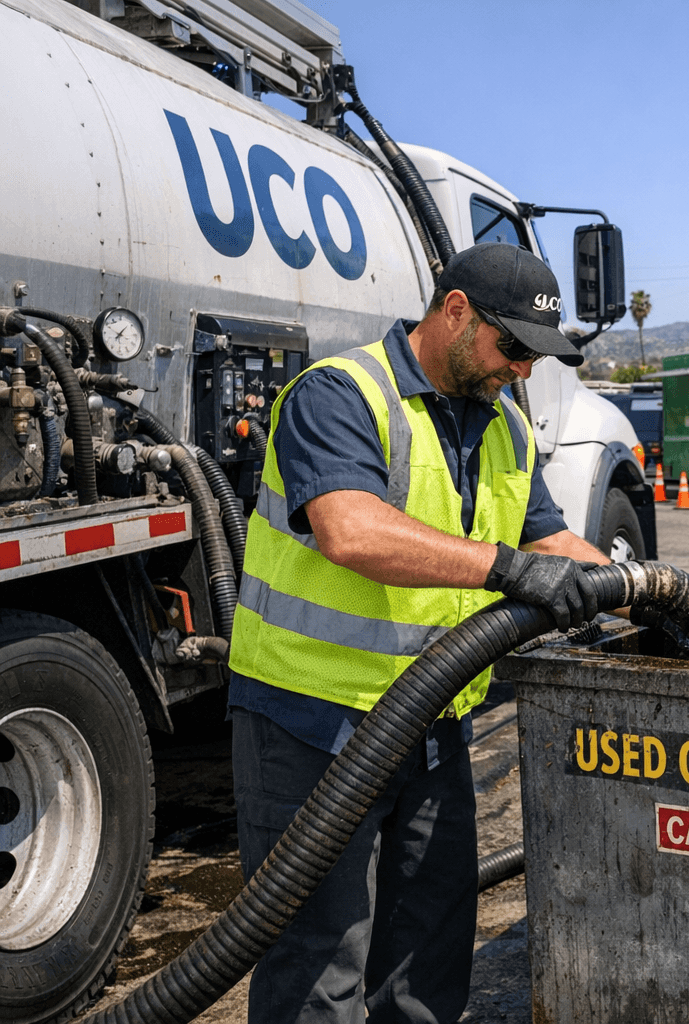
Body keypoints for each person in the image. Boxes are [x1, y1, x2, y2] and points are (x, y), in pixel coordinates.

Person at [227, 242, 609, 1024]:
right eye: (515, 349)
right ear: (456, 312)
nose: (524, 371)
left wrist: (664, 596)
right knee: (319, 965)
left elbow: (549, 543)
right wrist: (503, 569)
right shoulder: (340, 394)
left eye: (538, 357)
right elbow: (351, 531)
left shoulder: (501, 423)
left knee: (426, 960)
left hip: (431, 728)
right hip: (311, 726)